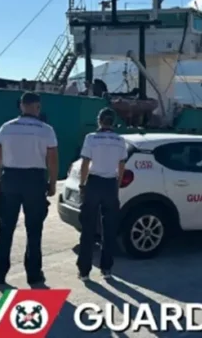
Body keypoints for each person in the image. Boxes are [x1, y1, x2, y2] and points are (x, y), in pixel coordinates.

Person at [0, 92, 59, 286]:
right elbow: (52, 160)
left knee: (5, 228)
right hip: (35, 181)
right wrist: (52, 183)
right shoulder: (46, 130)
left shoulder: (6, 128)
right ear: (37, 107)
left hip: (10, 180)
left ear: (21, 106)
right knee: (34, 230)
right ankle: (34, 275)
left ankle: (0, 273)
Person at [76, 107, 127, 281]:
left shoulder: (91, 138)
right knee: (109, 228)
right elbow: (121, 166)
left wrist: (82, 184)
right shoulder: (120, 140)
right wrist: (117, 186)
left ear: (99, 121)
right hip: (110, 184)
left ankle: (84, 271)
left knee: (88, 228)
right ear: (113, 122)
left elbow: (85, 163)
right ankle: (107, 269)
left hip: (94, 182)